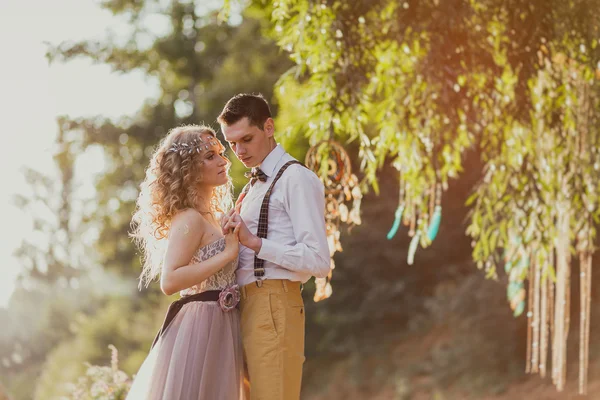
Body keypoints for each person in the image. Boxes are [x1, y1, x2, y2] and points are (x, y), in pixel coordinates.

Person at [218, 93, 331, 400]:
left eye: (247, 139)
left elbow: (320, 261)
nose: (239, 151)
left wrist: (255, 243)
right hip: (242, 306)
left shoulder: (296, 178)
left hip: (274, 303)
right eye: (232, 144)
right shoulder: (255, 185)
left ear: (268, 127)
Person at [127, 125, 246, 400]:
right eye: (210, 156)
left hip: (223, 324)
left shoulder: (213, 215)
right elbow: (170, 281)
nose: (223, 161)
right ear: (188, 168)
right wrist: (226, 254)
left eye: (220, 153)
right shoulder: (189, 218)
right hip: (199, 327)